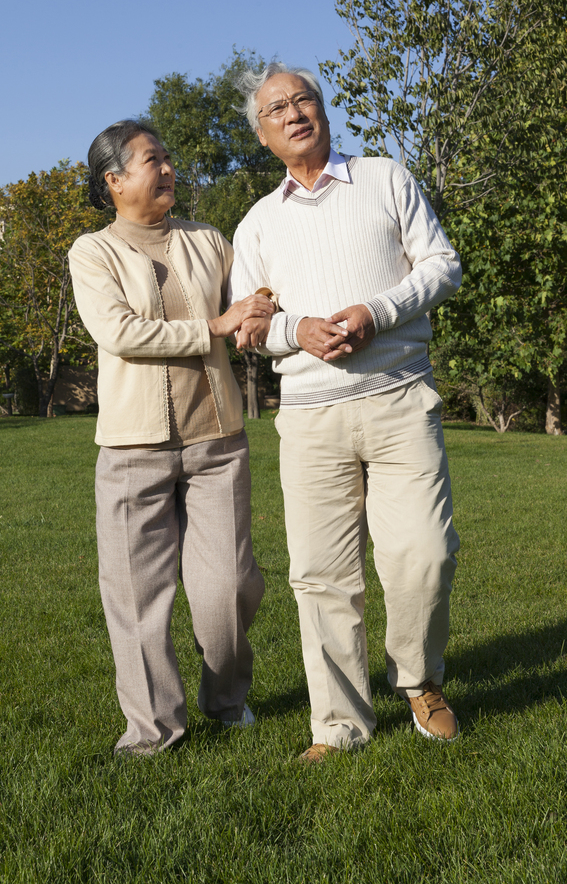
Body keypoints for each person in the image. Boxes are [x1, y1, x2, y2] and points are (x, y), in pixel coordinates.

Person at [229, 63, 462, 762]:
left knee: (423, 555)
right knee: (321, 575)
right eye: (277, 108)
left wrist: (375, 310)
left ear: (323, 111)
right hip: (308, 418)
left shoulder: (385, 178)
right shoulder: (257, 224)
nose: (295, 111)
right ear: (264, 137)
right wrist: (294, 329)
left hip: (398, 401)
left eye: (304, 99)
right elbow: (250, 325)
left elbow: (441, 265)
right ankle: (337, 726)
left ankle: (418, 680)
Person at [68, 119, 272, 756]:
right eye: (152, 161)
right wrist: (215, 326)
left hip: (218, 443)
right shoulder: (92, 252)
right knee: (137, 596)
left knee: (231, 586)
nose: (168, 170)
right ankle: (154, 730)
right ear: (115, 180)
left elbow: (254, 294)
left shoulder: (208, 240)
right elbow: (121, 332)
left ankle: (227, 699)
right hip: (133, 451)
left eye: (167, 160)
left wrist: (262, 306)